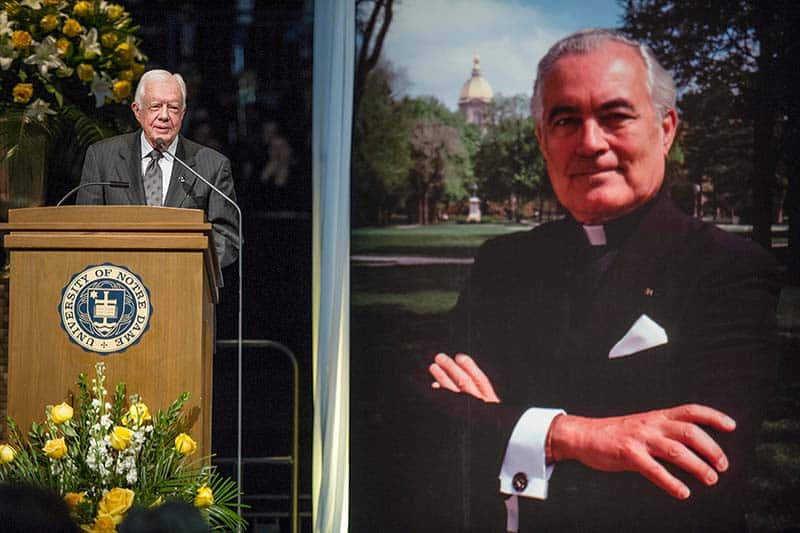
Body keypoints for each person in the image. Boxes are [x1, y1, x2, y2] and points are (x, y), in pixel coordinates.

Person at [427, 29, 781, 532]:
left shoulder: (729, 270)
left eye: (615, 116)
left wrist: (504, 435)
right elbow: (427, 428)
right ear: (542, 140)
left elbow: (693, 481)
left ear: (666, 128)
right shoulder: (503, 264)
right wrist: (575, 437)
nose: (590, 143)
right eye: (565, 120)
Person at [77, 69, 239, 272]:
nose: (164, 116)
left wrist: (182, 265)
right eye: (155, 107)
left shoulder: (212, 166)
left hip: (182, 285)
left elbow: (227, 239)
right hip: (117, 285)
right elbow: (84, 229)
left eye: (173, 108)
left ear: (183, 114)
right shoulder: (102, 157)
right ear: (137, 111)